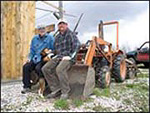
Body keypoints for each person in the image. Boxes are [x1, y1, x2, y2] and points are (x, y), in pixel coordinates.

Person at [42, 19, 81, 99]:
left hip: (69, 58)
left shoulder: (71, 34)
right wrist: (51, 53)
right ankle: (56, 89)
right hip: (59, 57)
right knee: (45, 68)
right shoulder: (57, 37)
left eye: (63, 24)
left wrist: (70, 56)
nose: (61, 25)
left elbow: (77, 46)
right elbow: (56, 50)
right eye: (59, 24)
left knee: (60, 69)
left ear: (66, 25)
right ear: (58, 26)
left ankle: (65, 91)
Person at [21, 24, 55, 94]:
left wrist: (49, 52)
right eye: (40, 29)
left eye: (43, 29)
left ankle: (46, 86)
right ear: (38, 30)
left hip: (44, 58)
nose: (42, 30)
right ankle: (27, 86)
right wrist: (29, 58)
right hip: (35, 58)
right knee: (26, 67)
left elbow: (54, 49)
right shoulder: (34, 39)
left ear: (45, 30)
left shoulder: (50, 38)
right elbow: (32, 51)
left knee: (38, 68)